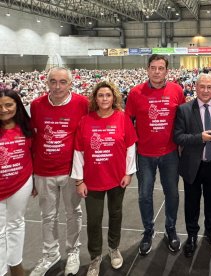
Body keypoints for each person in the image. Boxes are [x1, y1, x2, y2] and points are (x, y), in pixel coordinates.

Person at [71, 81, 137, 276]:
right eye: (101, 95)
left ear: (114, 97)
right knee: (94, 220)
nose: (105, 99)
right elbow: (78, 152)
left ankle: (114, 247)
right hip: (92, 179)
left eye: (108, 95)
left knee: (116, 214)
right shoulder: (85, 121)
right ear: (95, 98)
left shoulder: (122, 118)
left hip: (117, 177)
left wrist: (128, 172)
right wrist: (79, 180)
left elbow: (130, 147)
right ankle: (95, 257)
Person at [30, 67, 88, 276]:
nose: (57, 86)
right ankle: (50, 253)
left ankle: (73, 250)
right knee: (48, 215)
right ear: (47, 83)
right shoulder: (36, 105)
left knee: (73, 213)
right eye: (53, 81)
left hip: (70, 171)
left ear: (70, 83)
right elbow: (32, 138)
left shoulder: (82, 103)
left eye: (62, 82)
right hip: (43, 171)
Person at [125, 54, 185, 256]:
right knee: (144, 195)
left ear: (167, 71)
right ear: (147, 69)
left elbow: (183, 119)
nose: (157, 71)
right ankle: (148, 232)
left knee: (173, 194)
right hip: (144, 154)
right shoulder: (135, 93)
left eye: (161, 68)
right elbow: (127, 123)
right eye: (153, 68)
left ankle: (171, 229)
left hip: (169, 153)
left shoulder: (177, 90)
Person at [174, 74, 211, 257]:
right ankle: (192, 235)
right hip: (193, 165)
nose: (206, 90)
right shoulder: (184, 109)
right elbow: (178, 137)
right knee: (191, 203)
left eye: (209, 87)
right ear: (196, 87)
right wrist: (199, 137)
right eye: (202, 87)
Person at [0, 86, 34, 276]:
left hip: (21, 182)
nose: (4, 110)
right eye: (0, 106)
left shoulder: (25, 126)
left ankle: (16, 264)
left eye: (8, 105)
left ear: (17, 105)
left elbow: (32, 152)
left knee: (16, 224)